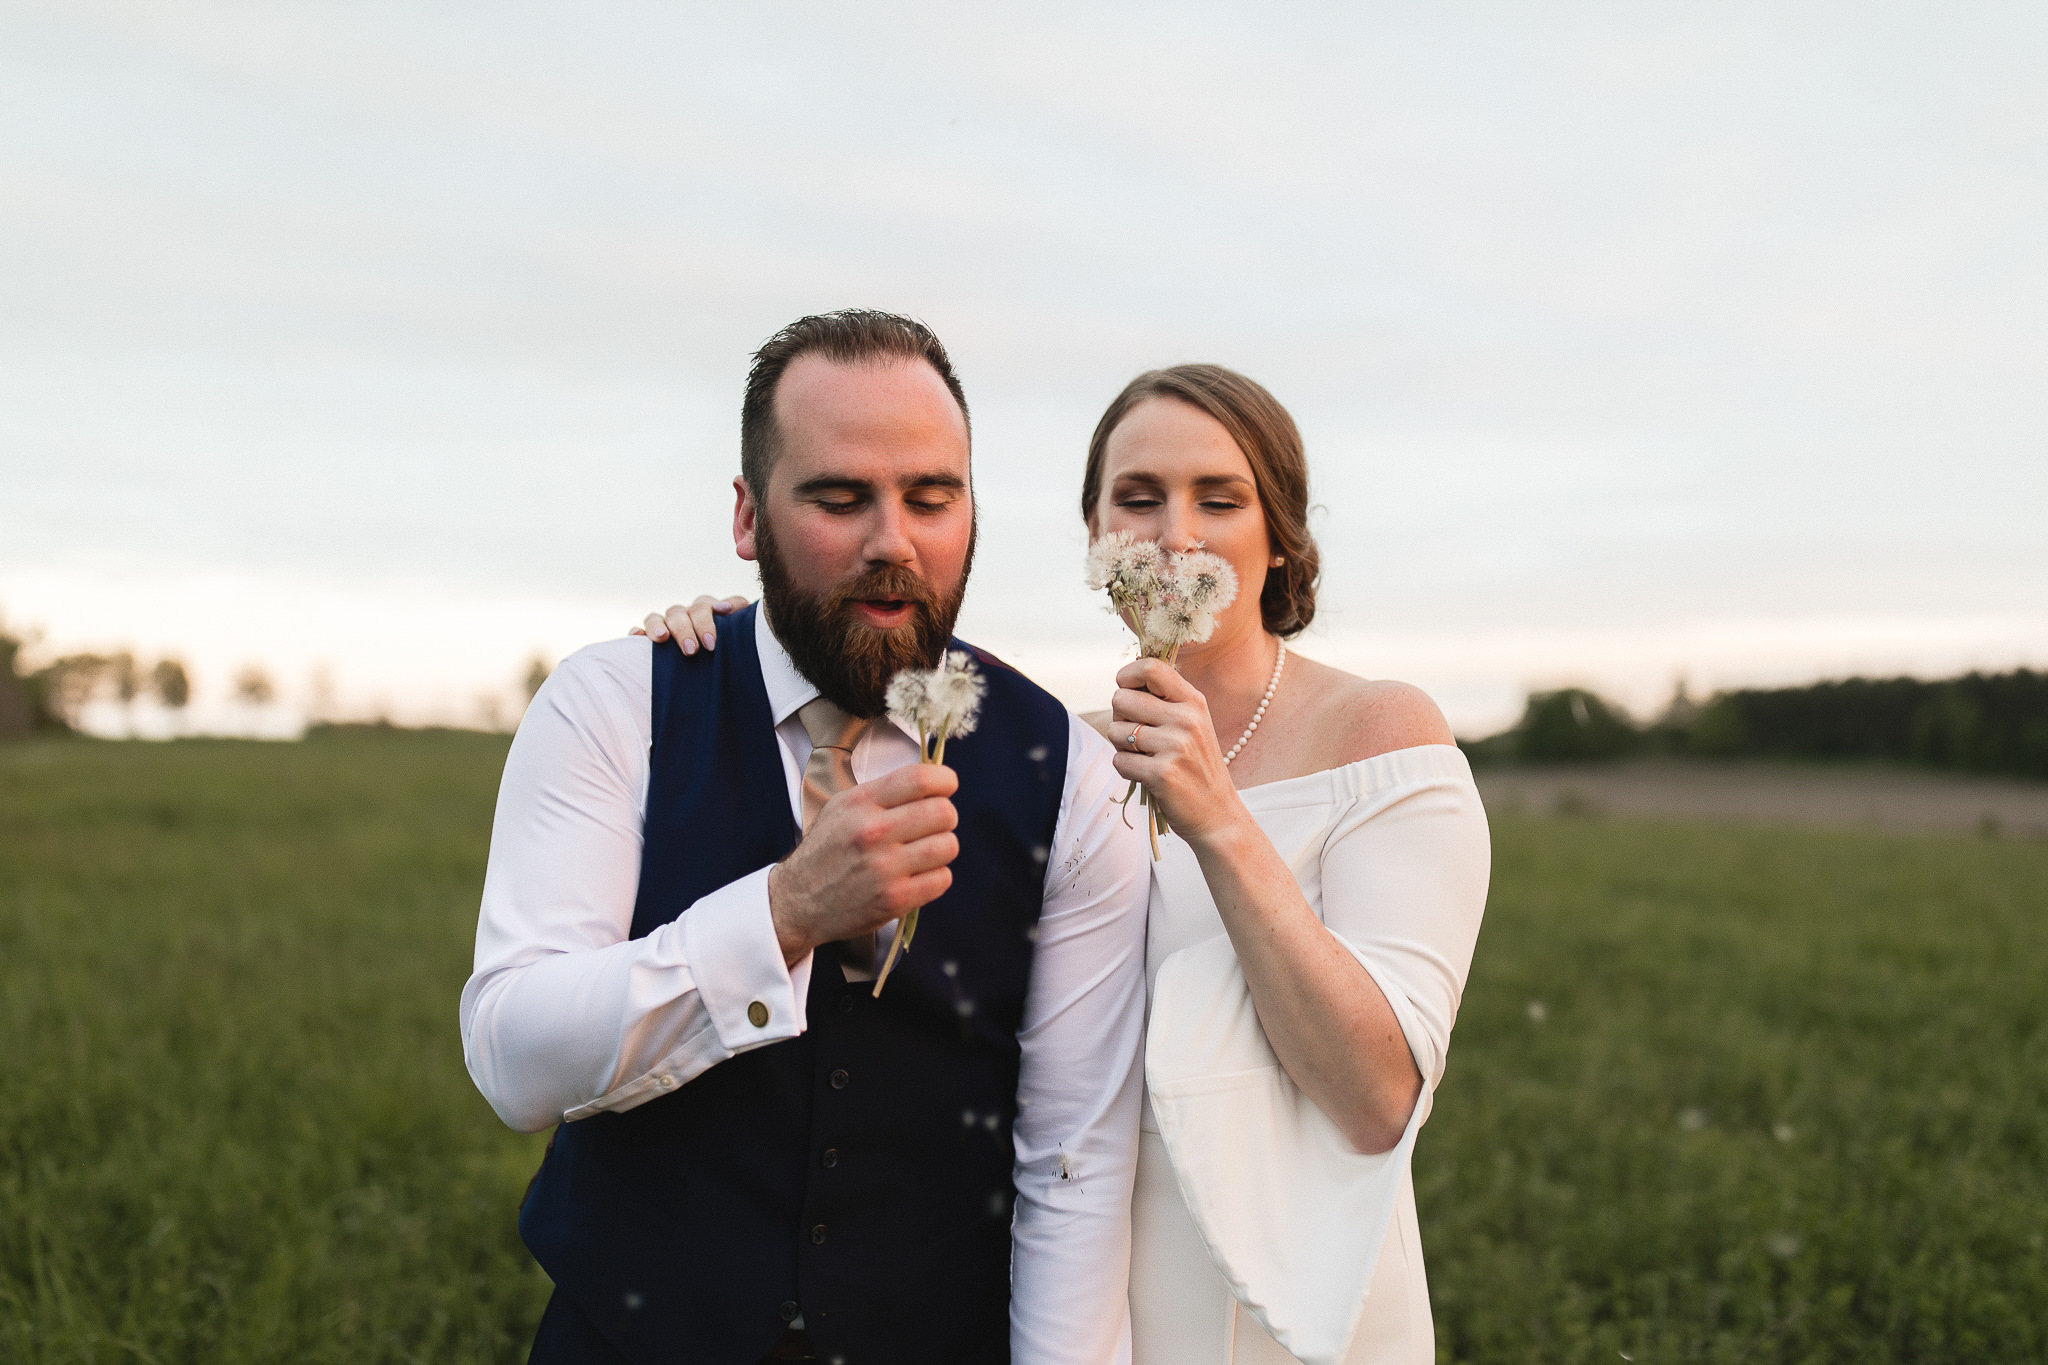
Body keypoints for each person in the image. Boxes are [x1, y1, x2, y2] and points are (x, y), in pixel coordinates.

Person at [648, 364, 1490, 1365]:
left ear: (1279, 539)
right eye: (1135, 499)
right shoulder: (1059, 756)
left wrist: (1214, 817)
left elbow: (1375, 1099)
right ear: (1093, 536)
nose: (1174, 533)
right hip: (1077, 1293)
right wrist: (732, 640)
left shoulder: (1379, 732)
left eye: (1218, 500)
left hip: (1285, 1299)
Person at [464, 310, 1152, 1365]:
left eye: (933, 497)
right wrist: (781, 914)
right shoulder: (613, 706)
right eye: (839, 498)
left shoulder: (1065, 776)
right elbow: (515, 1056)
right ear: (747, 518)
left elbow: (1072, 1158)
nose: (893, 540)